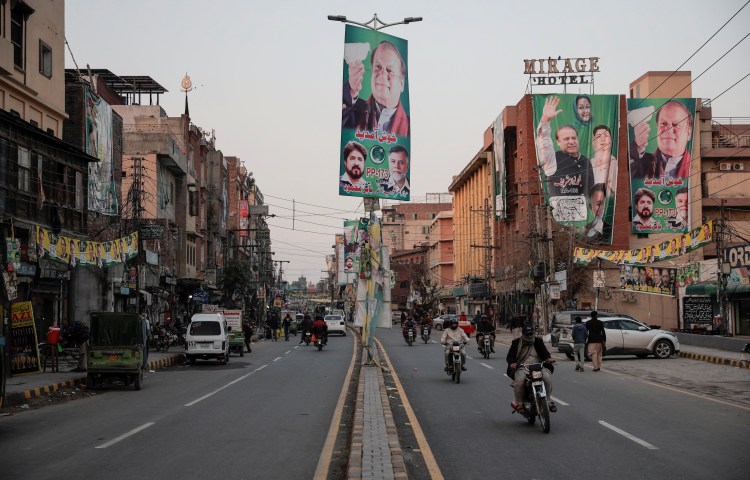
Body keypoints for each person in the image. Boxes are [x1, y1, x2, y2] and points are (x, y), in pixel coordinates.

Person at [535, 96, 593, 221]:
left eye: (574, 138)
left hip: (584, 222)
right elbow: (544, 143)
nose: (571, 141)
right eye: (566, 139)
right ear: (558, 142)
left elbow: (591, 192)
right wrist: (545, 121)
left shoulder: (586, 161)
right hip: (560, 222)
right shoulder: (552, 159)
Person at [342, 40, 409, 137]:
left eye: (389, 70)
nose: (382, 73)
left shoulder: (410, 129)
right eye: (378, 67)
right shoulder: (355, 112)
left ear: (402, 84)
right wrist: (352, 91)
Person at [630, 100, 693, 179]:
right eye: (663, 123)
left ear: (689, 133)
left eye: (676, 124)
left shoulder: (695, 167)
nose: (668, 130)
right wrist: (638, 147)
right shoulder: (642, 163)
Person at [506, 324, 556, 413]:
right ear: (523, 334)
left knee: (546, 378)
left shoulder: (538, 341)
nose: (529, 336)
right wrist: (512, 363)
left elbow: (545, 353)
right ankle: (520, 403)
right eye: (527, 334)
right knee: (519, 382)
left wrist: (548, 359)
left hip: (538, 366)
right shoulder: (516, 342)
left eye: (530, 333)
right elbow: (510, 355)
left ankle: (548, 401)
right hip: (522, 367)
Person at [590, 125, 618, 196]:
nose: (603, 139)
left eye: (606, 135)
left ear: (611, 140)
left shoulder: (616, 164)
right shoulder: (588, 164)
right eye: (599, 136)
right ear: (593, 141)